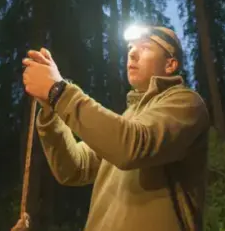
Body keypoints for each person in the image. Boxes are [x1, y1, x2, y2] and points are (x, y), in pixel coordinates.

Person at [21, 25, 210, 231]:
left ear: (170, 64)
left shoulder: (186, 104)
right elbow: (74, 168)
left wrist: (58, 92)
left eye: (145, 47)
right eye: (130, 47)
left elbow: (131, 146)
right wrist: (51, 111)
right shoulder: (127, 120)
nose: (132, 53)